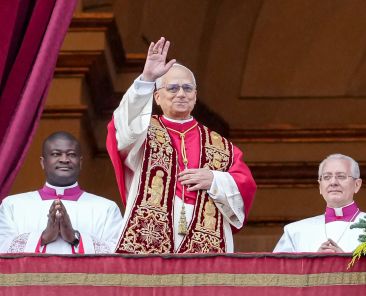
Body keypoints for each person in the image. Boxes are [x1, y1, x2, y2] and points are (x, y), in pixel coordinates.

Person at [107, 37, 257, 254]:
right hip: (151, 229)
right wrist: (147, 79)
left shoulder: (221, 145)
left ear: (195, 97)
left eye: (188, 88)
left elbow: (246, 186)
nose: (181, 94)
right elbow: (123, 127)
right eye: (173, 88)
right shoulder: (142, 132)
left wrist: (215, 179)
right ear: (157, 96)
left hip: (205, 232)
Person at [0, 131, 123, 254]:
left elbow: (119, 253)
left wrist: (75, 237)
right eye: (56, 154)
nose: (64, 159)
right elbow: (2, 247)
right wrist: (43, 237)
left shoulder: (107, 208)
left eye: (71, 154)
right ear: (43, 162)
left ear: (80, 163)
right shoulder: (12, 205)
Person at [274, 153, 366, 253]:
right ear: (320, 187)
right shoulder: (295, 231)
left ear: (357, 185)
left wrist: (344, 262)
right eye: (327, 177)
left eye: (341, 176)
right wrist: (314, 262)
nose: (333, 182)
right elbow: (276, 268)